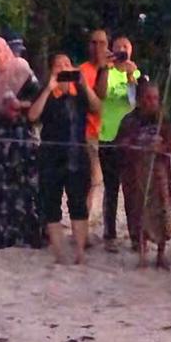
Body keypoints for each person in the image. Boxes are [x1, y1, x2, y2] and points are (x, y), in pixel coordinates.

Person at [27, 53, 102, 265]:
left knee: (78, 204)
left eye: (67, 64)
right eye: (58, 65)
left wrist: (84, 84)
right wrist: (50, 88)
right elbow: (32, 116)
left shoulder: (79, 93)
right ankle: (59, 253)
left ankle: (79, 251)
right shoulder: (47, 92)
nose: (63, 68)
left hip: (77, 155)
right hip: (51, 157)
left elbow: (97, 108)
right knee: (51, 205)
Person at [0, 35, 39, 247]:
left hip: (21, 135)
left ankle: (27, 233)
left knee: (23, 182)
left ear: (6, 51)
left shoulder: (21, 69)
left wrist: (18, 104)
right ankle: (0, 234)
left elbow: (37, 98)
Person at [116, 81, 171, 269]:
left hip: (160, 175)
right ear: (140, 100)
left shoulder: (163, 121)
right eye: (148, 98)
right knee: (138, 211)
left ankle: (160, 254)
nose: (152, 102)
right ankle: (142, 253)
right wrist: (134, 144)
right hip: (137, 175)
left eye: (156, 98)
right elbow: (120, 144)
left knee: (162, 212)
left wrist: (161, 147)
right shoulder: (129, 120)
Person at [97, 36, 141, 251]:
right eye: (118, 48)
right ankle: (109, 233)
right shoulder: (107, 72)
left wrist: (131, 76)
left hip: (130, 137)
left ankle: (135, 234)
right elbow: (102, 94)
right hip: (108, 135)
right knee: (111, 187)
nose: (122, 50)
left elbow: (136, 102)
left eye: (126, 47)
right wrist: (106, 69)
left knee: (132, 188)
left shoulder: (136, 72)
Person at [0, 91, 40, 249]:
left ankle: (27, 235)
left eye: (17, 109)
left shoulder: (24, 125)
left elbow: (32, 150)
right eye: (11, 109)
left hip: (22, 174)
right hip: (1, 175)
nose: (15, 112)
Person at [79, 28, 110, 221]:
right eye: (93, 42)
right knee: (92, 180)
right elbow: (95, 106)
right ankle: (85, 224)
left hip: (113, 133)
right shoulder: (83, 70)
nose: (97, 47)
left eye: (102, 43)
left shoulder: (118, 70)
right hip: (90, 132)